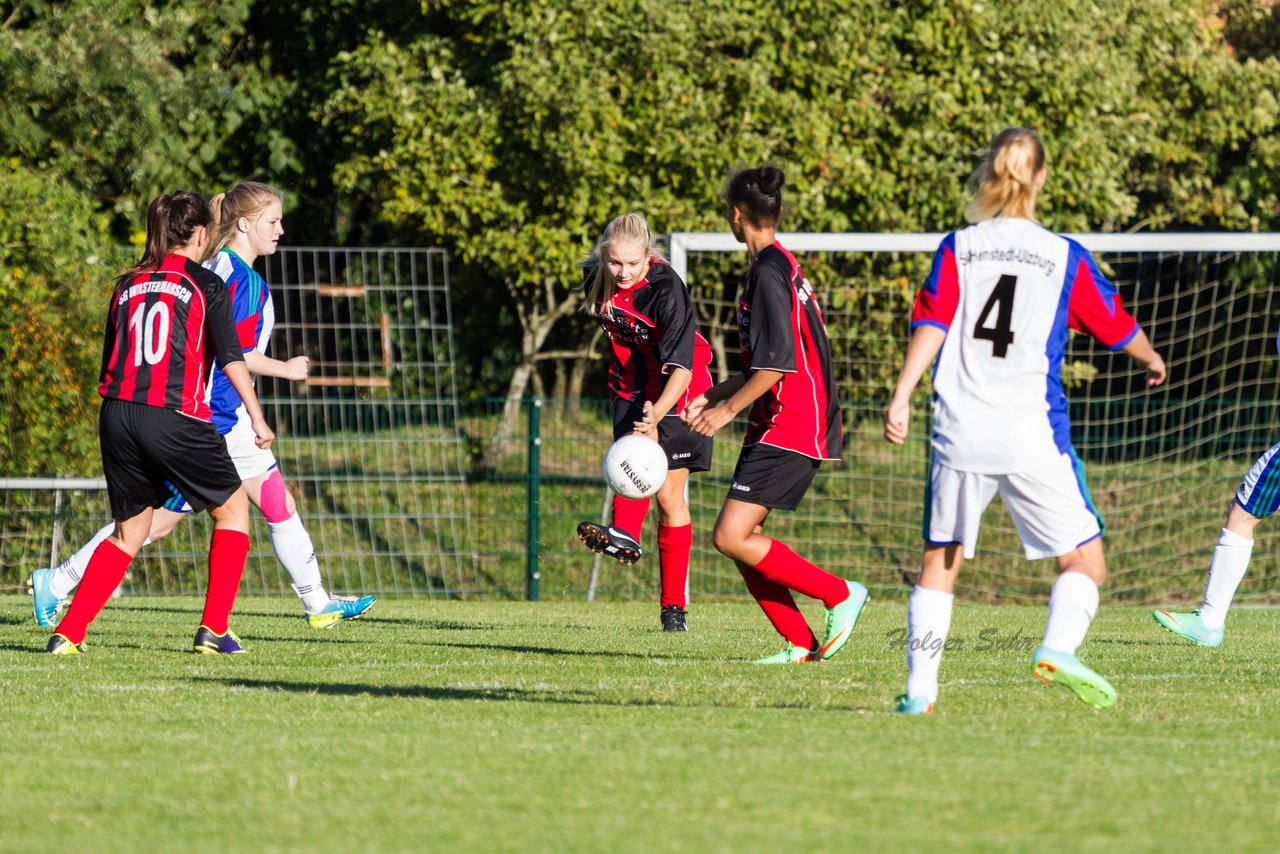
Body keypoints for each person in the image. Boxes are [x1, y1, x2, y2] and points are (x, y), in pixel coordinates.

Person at [883, 127, 1168, 713]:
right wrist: (1150, 357)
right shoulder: (1063, 255)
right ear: (1040, 177)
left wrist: (902, 394)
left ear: (990, 172)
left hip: (959, 430)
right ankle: (1059, 647)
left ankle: (918, 692)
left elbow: (933, 322)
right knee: (1085, 561)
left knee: (940, 561)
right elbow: (1115, 326)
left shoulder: (958, 246)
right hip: (1031, 431)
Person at [31, 182, 376, 630]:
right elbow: (233, 351)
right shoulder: (236, 280)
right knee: (149, 524)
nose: (281, 230)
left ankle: (317, 602)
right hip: (208, 417)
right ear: (245, 224)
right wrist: (285, 369)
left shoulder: (210, 265)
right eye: (273, 221)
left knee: (275, 500)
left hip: (210, 412)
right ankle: (59, 582)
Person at [45, 190, 273, 654]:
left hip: (116, 413)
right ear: (203, 234)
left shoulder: (125, 283)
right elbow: (232, 359)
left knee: (131, 531)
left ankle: (68, 633)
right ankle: (214, 629)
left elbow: (111, 360)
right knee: (233, 511)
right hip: (172, 414)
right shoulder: (206, 284)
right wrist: (257, 416)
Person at [682, 166, 868, 663]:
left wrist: (723, 412)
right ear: (777, 213)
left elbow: (777, 366)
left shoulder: (767, 273)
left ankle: (839, 593)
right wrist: (712, 393)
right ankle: (800, 643)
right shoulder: (778, 263)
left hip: (791, 422)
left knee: (730, 535)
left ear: (735, 215)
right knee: (740, 538)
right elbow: (764, 363)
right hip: (783, 420)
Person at [575, 213, 713, 632]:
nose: (623, 272)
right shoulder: (597, 277)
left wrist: (657, 413)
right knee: (629, 468)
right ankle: (625, 536)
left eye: (632, 264)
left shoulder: (667, 290)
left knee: (669, 497)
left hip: (681, 389)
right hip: (632, 388)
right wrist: (639, 404)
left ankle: (674, 609)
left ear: (648, 255)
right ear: (604, 255)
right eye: (615, 263)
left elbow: (683, 368)